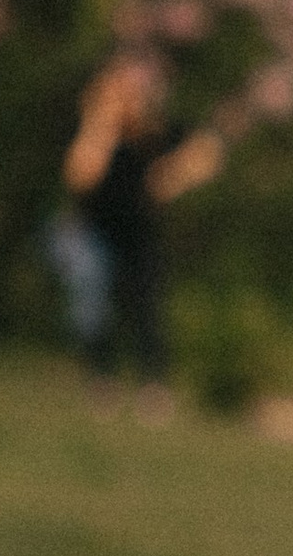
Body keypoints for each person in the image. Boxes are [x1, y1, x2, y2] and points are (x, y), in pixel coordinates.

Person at [62, 49, 222, 397]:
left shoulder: (152, 135)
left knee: (146, 307)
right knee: (93, 305)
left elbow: (208, 150)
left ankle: (153, 385)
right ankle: (101, 379)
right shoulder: (95, 136)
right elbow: (80, 177)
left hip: (140, 232)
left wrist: (173, 176)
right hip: (94, 233)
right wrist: (99, 125)